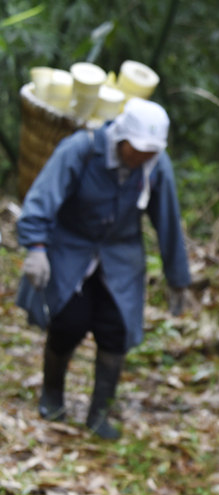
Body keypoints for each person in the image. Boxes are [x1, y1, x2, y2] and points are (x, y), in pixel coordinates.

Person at [16, 97, 191, 440]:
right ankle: (52, 395)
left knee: (116, 330)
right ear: (121, 138)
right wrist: (36, 247)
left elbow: (167, 220)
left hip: (121, 256)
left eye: (150, 150)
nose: (143, 156)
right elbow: (42, 197)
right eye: (137, 148)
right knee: (69, 321)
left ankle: (99, 413)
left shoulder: (156, 165)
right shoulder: (81, 150)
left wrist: (178, 278)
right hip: (72, 247)